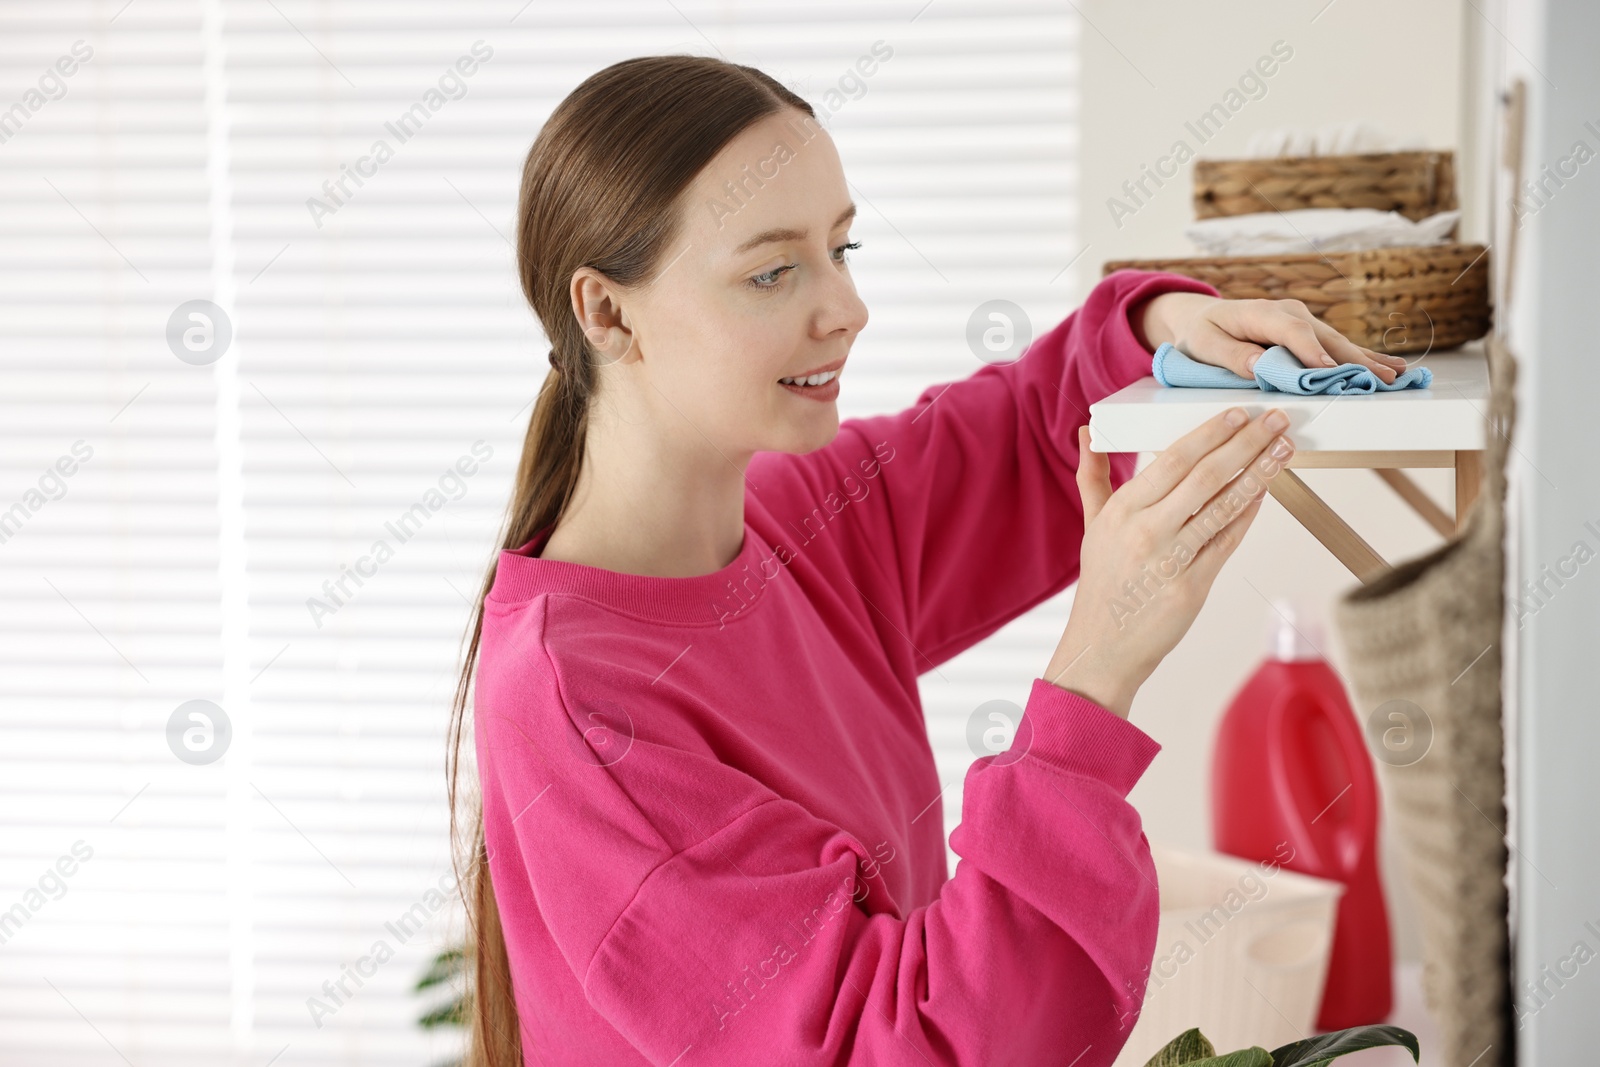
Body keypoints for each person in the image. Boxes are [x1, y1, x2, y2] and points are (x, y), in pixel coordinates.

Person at [444, 54, 1407, 1067]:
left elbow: (1029, 434)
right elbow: (904, 1045)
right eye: (773, 270)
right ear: (605, 312)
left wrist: (1163, 329)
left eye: (840, 247)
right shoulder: (585, 709)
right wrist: (1098, 668)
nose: (845, 307)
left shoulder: (795, 521)